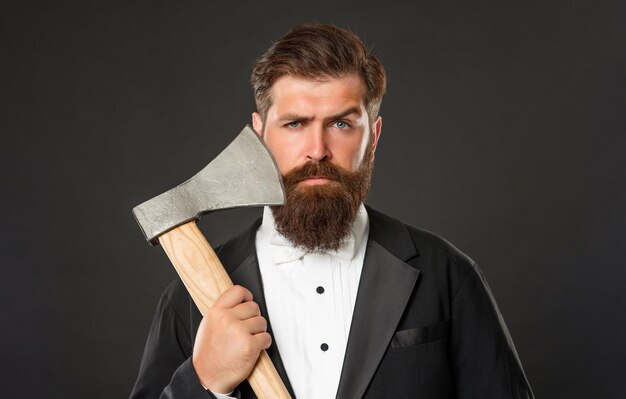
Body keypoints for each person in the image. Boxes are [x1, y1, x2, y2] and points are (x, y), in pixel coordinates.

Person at [130, 24, 534, 399]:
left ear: (372, 137)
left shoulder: (447, 275)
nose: (318, 150)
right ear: (258, 136)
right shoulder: (192, 298)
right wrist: (204, 382)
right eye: (294, 124)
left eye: (341, 124)